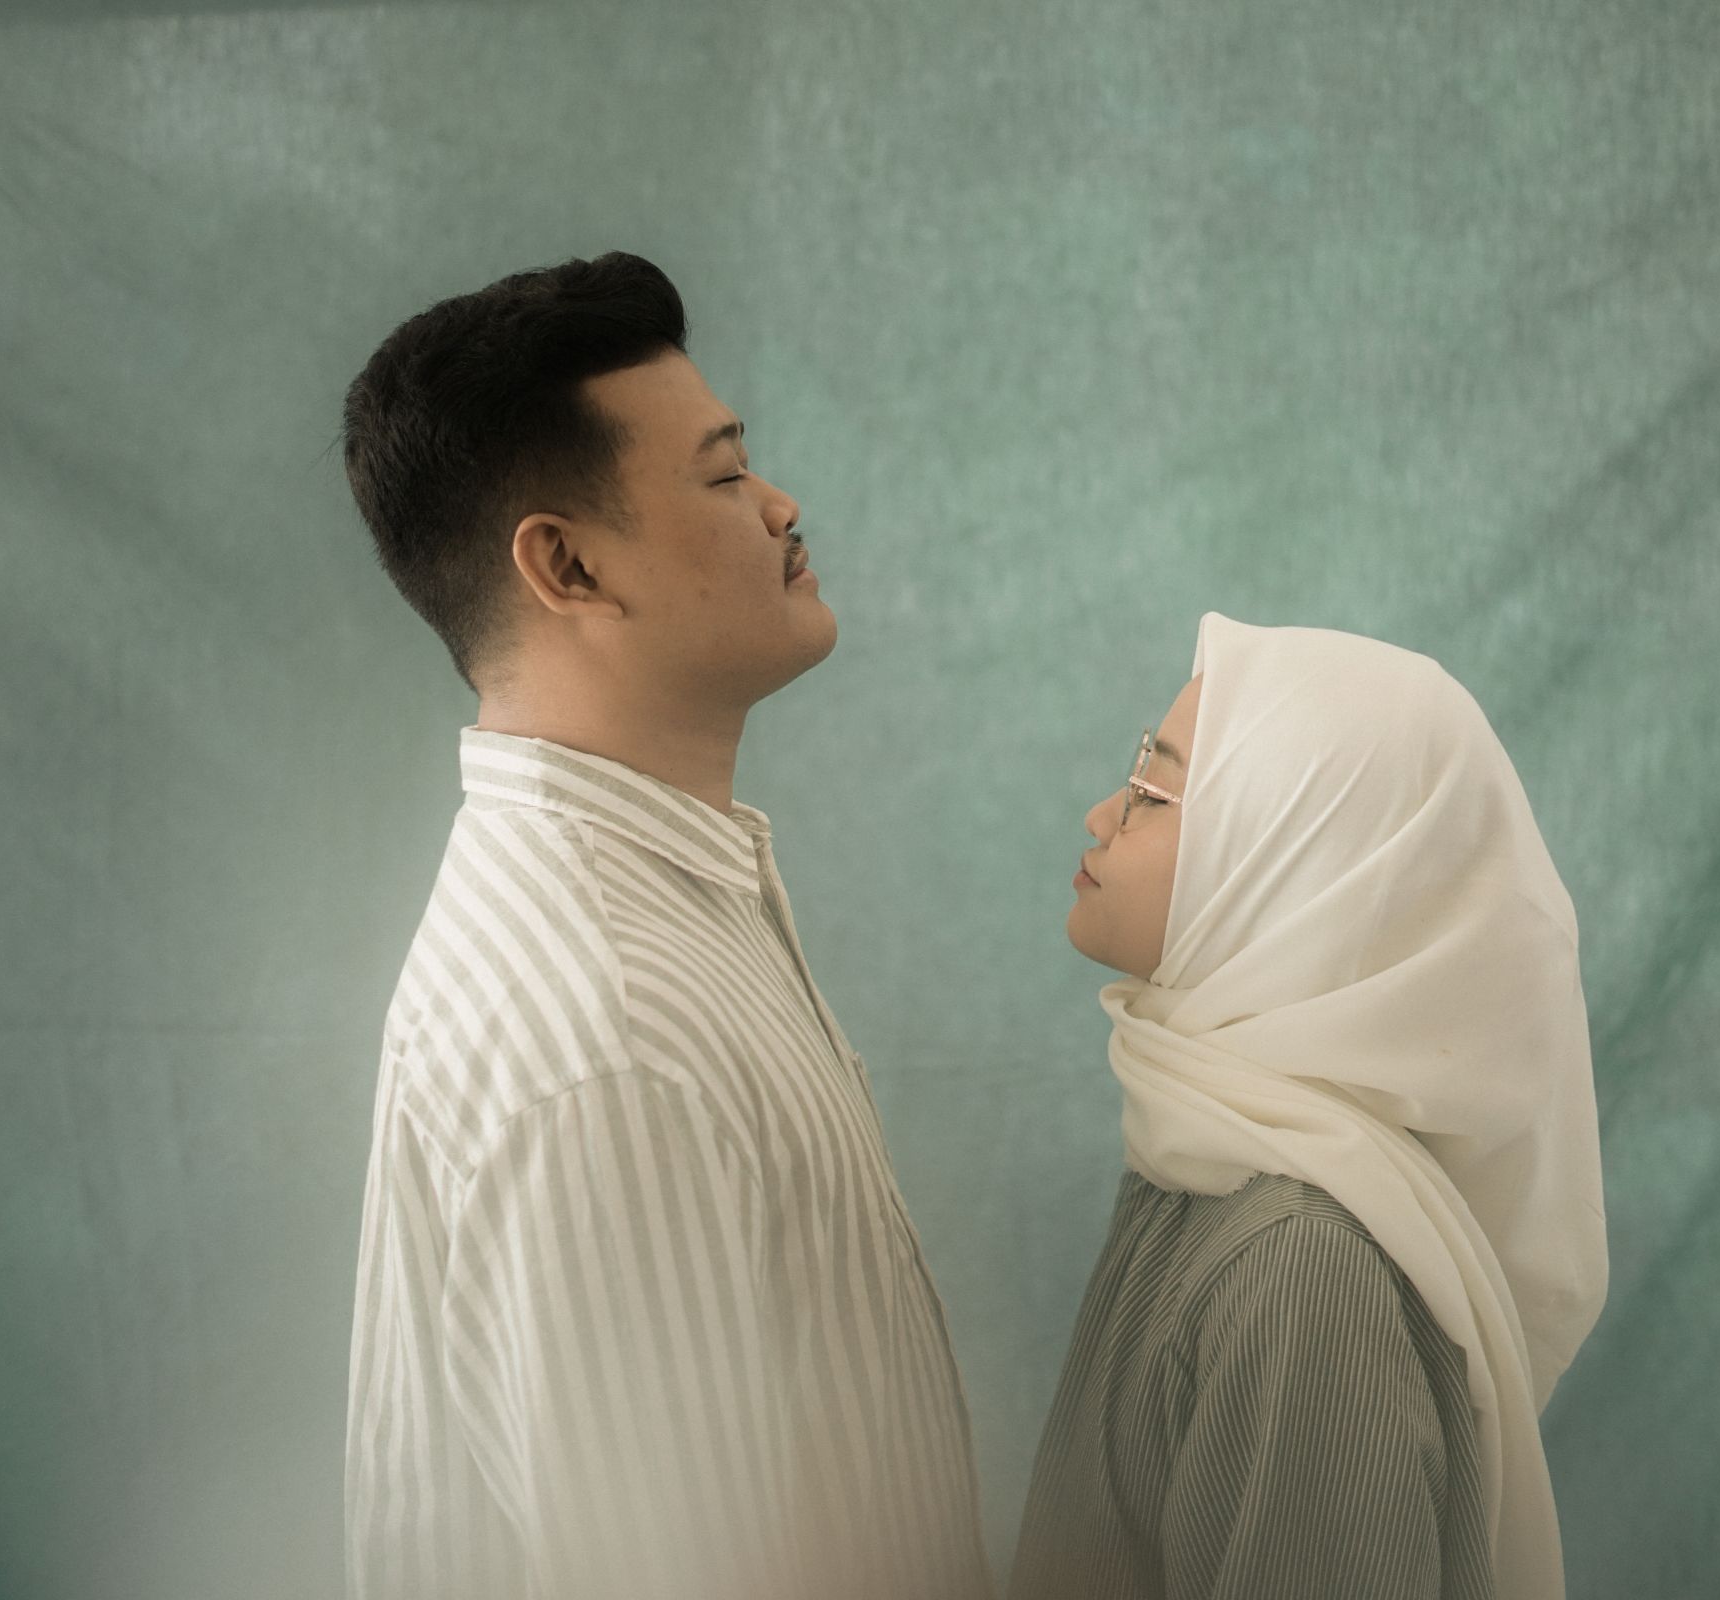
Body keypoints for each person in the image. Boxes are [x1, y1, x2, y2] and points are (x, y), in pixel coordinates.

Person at [335, 253, 992, 1600]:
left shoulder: (653, 905)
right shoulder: (612, 1032)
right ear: (567, 563)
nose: (782, 506)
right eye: (726, 475)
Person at [1010, 614, 1609, 1600]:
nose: (1102, 813)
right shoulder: (1204, 1157)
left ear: (1288, 867)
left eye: (1153, 791)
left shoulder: (1299, 1273)